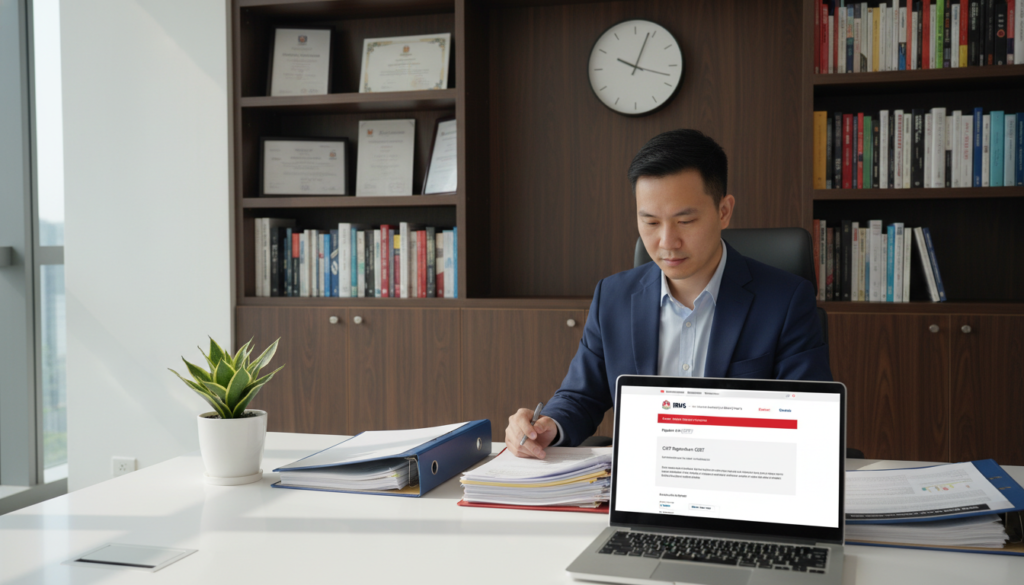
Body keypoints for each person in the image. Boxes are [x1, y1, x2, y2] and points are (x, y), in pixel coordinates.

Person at [505, 129, 832, 459]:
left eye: (685, 221)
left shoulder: (786, 301)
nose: (666, 242)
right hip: (644, 487)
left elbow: (807, 421)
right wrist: (548, 425)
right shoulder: (613, 297)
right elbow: (580, 396)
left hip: (739, 478)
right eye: (650, 222)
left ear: (724, 211)